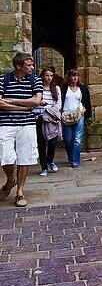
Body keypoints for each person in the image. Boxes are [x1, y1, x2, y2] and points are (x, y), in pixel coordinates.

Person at [0, 52, 44, 207]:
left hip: (26, 124)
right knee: (5, 156)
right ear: (18, 66)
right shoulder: (3, 80)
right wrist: (25, 104)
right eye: (29, 65)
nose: (32, 68)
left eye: (32, 64)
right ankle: (11, 179)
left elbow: (37, 101)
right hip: (5, 124)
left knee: (24, 157)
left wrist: (11, 101)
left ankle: (20, 192)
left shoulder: (35, 80)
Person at [60, 68, 93, 168]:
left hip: (79, 115)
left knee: (77, 140)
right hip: (66, 116)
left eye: (76, 76)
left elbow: (86, 101)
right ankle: (71, 157)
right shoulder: (64, 88)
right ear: (69, 77)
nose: (75, 78)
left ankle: (75, 161)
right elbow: (59, 101)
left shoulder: (82, 88)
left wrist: (85, 110)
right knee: (68, 139)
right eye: (73, 76)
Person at [36, 66, 62, 176]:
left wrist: (49, 111)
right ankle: (44, 167)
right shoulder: (38, 88)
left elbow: (58, 104)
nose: (49, 78)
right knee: (41, 143)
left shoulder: (56, 89)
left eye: (51, 76)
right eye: (47, 75)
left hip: (51, 118)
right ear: (42, 76)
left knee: (52, 142)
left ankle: (50, 160)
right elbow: (33, 102)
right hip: (39, 118)